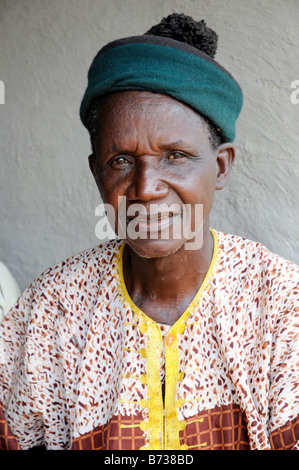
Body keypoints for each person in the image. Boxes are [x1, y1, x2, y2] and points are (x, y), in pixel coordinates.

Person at [0, 13, 298, 451]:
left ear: (220, 166)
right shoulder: (51, 310)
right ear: (96, 171)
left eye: (175, 156)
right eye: (120, 160)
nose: (145, 189)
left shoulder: (280, 306)